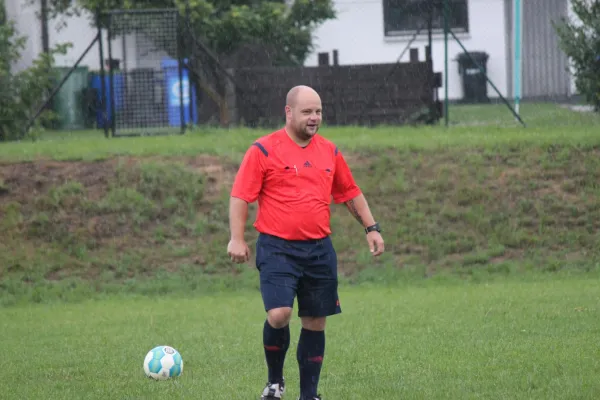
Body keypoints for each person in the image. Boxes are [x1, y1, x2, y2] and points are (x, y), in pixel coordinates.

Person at [227, 85, 385, 400]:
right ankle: (274, 382)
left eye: (318, 112)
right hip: (277, 248)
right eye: (307, 112)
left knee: (314, 321)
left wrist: (371, 227)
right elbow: (241, 195)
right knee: (280, 314)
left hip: (318, 250)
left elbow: (349, 192)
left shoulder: (329, 151)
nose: (314, 118)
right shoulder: (263, 149)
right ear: (288, 112)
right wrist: (236, 238)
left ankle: (309, 395)